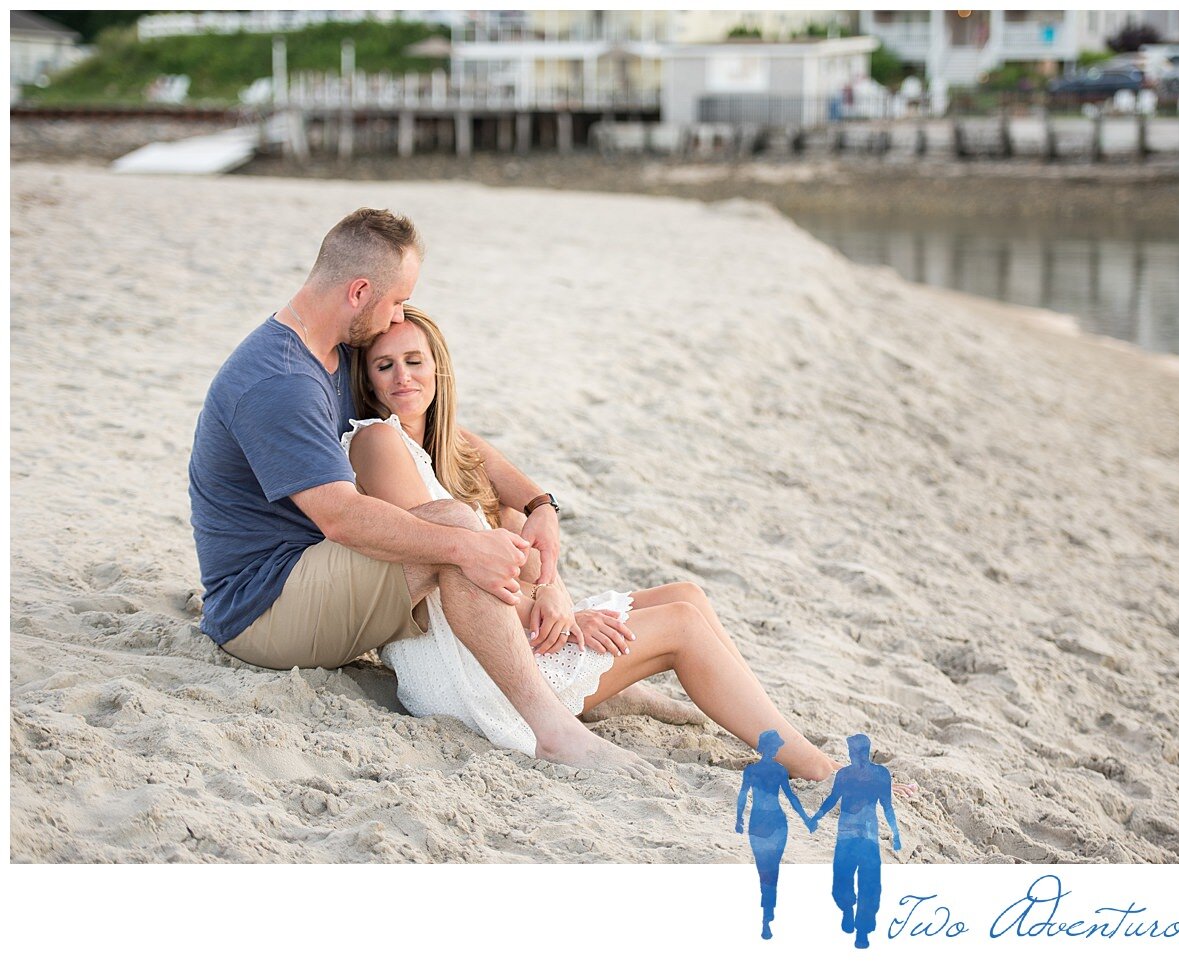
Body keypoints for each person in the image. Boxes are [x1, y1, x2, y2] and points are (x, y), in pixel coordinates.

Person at [188, 208, 637, 770]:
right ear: (359, 291)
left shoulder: (339, 349)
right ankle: (552, 730)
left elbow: (441, 426)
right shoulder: (280, 381)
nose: (399, 314)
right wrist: (467, 544)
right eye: (397, 299)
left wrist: (537, 501)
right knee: (453, 528)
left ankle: (564, 680)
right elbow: (341, 518)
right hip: (261, 608)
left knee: (476, 526)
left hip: (318, 567)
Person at [345, 306, 836, 780]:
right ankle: (815, 767)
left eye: (414, 362)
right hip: (463, 666)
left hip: (504, 629)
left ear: (438, 368)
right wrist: (563, 613)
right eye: (385, 366)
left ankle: (766, 719)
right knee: (682, 627)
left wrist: (553, 588)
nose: (402, 378)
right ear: (368, 381)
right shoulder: (379, 441)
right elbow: (445, 573)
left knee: (687, 594)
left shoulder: (446, 438)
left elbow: (534, 503)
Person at [811, 734, 901, 949]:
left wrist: (895, 833)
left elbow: (887, 806)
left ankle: (863, 930)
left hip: (868, 836)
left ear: (866, 752)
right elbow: (833, 799)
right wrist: (816, 817)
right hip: (846, 834)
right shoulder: (844, 775)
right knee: (841, 880)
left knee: (869, 883)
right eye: (851, 752)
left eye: (857, 752)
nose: (854, 756)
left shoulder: (880, 775)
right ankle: (847, 909)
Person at [736, 730, 816, 939]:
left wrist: (739, 819)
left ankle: (766, 918)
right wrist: (806, 818)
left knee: (765, 868)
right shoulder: (777, 771)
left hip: (762, 819)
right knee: (769, 870)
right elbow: (790, 798)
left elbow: (745, 796)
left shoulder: (754, 770)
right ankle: (767, 917)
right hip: (774, 820)